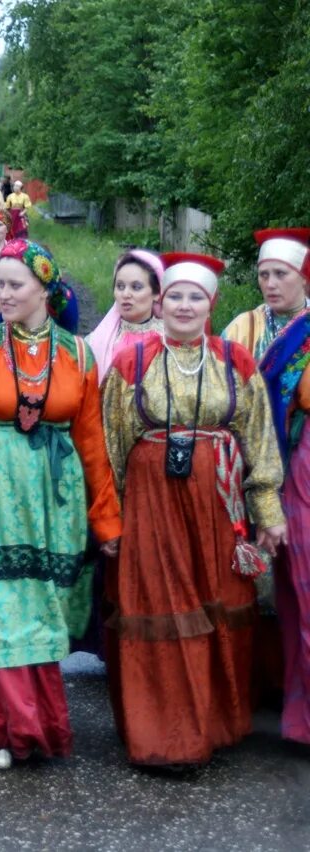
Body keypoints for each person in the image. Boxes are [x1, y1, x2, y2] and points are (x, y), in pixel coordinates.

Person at [0, 239, 121, 770]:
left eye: (14, 285)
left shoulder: (78, 355)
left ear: (44, 290)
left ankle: (36, 724)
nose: (1, 294)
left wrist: (106, 520)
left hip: (54, 500)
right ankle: (4, 726)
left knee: (38, 611)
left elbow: (93, 444)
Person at [102, 251, 285, 768]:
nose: (184, 305)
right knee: (161, 606)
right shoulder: (130, 363)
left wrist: (268, 511)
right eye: (175, 296)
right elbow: (110, 446)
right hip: (150, 503)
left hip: (216, 503)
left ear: (212, 304)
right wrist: (107, 520)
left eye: (195, 297)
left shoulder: (236, 361)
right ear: (160, 304)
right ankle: (164, 734)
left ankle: (215, 723)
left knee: (215, 602)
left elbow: (259, 440)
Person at [253, 228, 310, 746]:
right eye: (265, 274)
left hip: (303, 465)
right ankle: (296, 714)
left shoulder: (304, 331)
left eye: (282, 275)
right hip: (279, 471)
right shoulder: (256, 327)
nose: (271, 283)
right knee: (291, 594)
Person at [225, 231, 310, 362]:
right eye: (264, 275)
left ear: (304, 277)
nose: (270, 284)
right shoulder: (242, 329)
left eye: (280, 273)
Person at [85, 251, 165, 381]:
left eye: (136, 287)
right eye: (120, 286)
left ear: (156, 293)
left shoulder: (168, 340)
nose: (126, 294)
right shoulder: (96, 341)